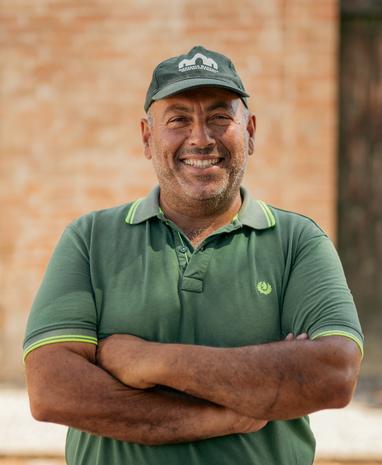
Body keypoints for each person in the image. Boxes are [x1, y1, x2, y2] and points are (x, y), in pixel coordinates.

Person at [24, 45, 363, 465]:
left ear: (251, 132)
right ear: (148, 138)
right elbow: (53, 391)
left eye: (220, 117)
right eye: (179, 119)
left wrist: (145, 360)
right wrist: (228, 414)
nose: (201, 138)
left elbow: (333, 375)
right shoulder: (90, 238)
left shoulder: (298, 242)